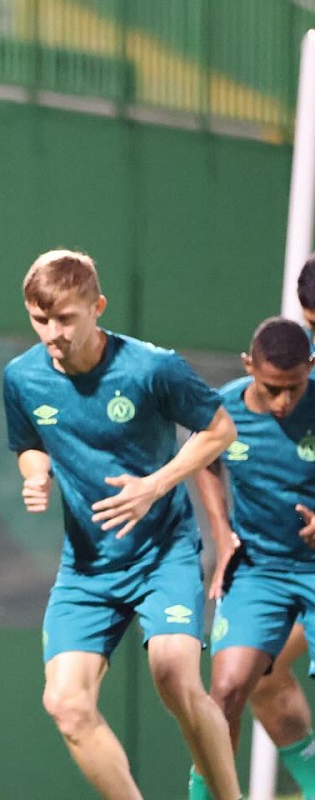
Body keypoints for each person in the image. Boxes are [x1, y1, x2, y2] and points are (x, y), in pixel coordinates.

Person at [2, 249, 241, 799]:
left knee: (175, 674)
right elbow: (29, 445)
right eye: (41, 319)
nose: (53, 333)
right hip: (87, 569)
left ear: (97, 307)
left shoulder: (152, 367)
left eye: (66, 319)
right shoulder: (23, 378)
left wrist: (155, 485)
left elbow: (220, 430)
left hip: (164, 555)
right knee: (65, 703)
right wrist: (35, 475)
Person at [192, 317, 315, 799]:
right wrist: (222, 535)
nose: (285, 402)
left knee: (270, 680)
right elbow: (203, 460)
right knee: (225, 692)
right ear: (249, 366)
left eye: (295, 388)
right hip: (259, 570)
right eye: (273, 389)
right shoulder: (223, 408)